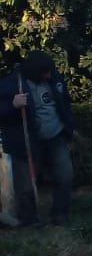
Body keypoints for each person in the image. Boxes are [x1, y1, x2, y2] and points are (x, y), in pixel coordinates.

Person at [0, 50, 76, 227]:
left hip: (55, 136)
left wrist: (70, 129)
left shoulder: (54, 78)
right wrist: (12, 105)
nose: (49, 75)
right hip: (25, 141)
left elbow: (65, 102)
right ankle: (29, 221)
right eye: (45, 72)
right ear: (35, 71)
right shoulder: (11, 84)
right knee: (26, 185)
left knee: (65, 174)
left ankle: (60, 216)